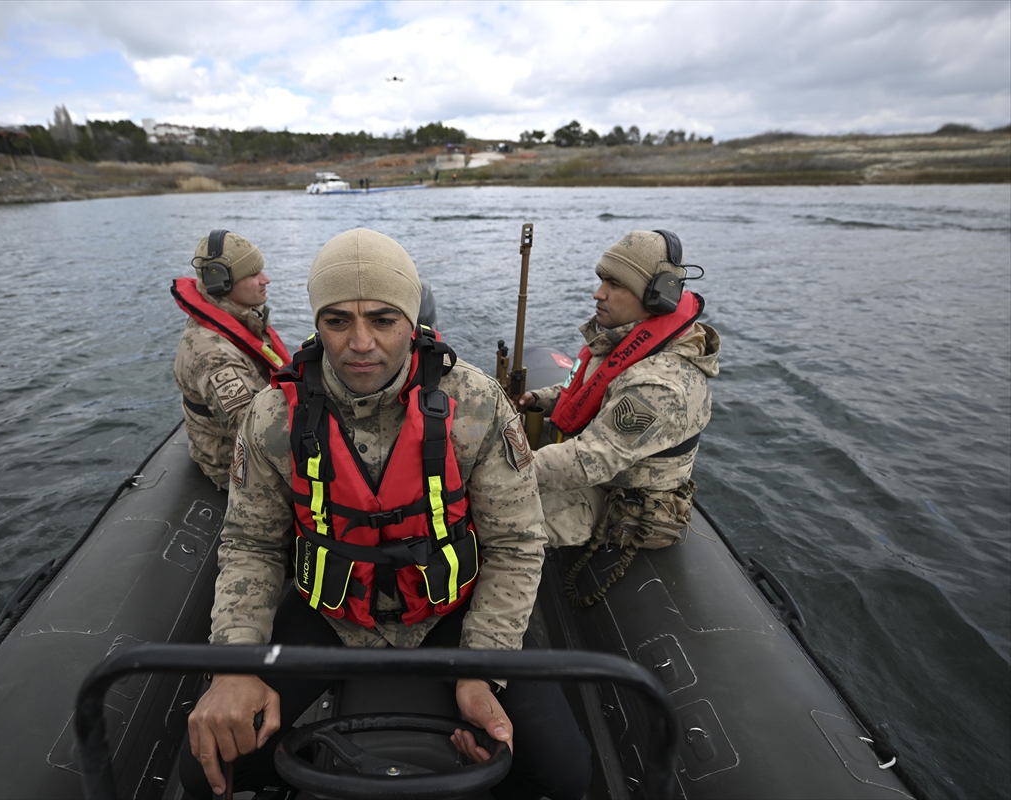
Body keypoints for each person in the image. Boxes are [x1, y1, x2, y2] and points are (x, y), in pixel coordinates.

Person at [181, 228, 590, 800]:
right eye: (337, 321)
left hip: (451, 610)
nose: (360, 343)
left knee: (566, 774)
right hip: (332, 614)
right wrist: (234, 663)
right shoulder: (273, 416)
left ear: (412, 321)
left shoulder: (476, 404)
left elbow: (517, 542)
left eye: (383, 319)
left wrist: (482, 666)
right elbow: (252, 543)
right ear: (317, 323)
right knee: (206, 773)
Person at [519, 229, 720, 557]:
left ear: (656, 297)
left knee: (501, 520)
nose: (598, 293)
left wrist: (501, 470)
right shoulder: (628, 338)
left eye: (615, 284)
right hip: (601, 470)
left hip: (620, 499)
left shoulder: (660, 384)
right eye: (602, 280)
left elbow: (590, 460)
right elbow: (594, 387)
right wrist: (543, 399)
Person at [172, 230, 290, 488]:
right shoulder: (214, 355)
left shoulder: (242, 316)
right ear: (221, 282)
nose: (266, 279)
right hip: (236, 467)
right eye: (253, 274)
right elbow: (258, 436)